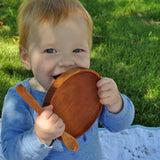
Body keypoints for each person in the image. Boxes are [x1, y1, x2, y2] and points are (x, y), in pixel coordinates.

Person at [1, 0, 135, 159]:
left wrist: (115, 104)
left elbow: (119, 125)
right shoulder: (19, 99)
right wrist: (40, 137)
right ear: (26, 57)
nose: (67, 62)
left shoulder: (90, 88)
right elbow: (10, 153)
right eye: (50, 50)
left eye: (78, 50)